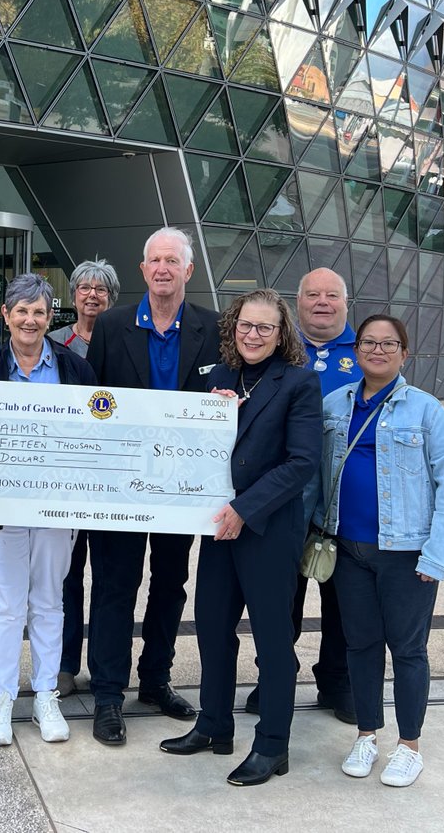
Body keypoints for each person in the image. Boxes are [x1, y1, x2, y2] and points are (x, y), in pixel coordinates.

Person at [161, 289, 320, 787]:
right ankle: (214, 725)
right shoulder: (220, 377)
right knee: (211, 626)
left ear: (281, 334)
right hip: (218, 527)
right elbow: (191, 447)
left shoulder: (299, 383)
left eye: (264, 328)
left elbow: (301, 463)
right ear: (233, 328)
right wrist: (212, 417)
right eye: (245, 326)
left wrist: (245, 510)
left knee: (273, 642)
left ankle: (273, 745)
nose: (252, 335)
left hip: (266, 529)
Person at [310, 314, 444, 788]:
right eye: (368, 343)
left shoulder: (426, 410)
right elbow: (317, 474)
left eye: (388, 343)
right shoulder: (335, 404)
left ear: (404, 352)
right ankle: (366, 734)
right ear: (355, 351)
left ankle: (409, 746)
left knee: (407, 650)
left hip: (406, 554)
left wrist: (436, 558)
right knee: (359, 645)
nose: (377, 350)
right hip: (348, 549)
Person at [84, 226, 220, 745]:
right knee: (115, 588)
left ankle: (156, 680)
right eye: (154, 260)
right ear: (142, 270)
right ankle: (107, 695)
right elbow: (89, 403)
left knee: (169, 585)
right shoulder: (114, 324)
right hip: (120, 486)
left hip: (183, 490)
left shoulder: (213, 326)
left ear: (188, 270)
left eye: (172, 260)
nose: (162, 268)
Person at [0, 274, 96, 746]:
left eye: (39, 312)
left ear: (48, 316)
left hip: (58, 509)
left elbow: (93, 441)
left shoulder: (77, 370)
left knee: (49, 603)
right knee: (4, 608)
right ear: (6, 316)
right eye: (22, 311)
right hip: (0, 511)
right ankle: (0, 700)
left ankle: (44, 696)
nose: (30, 320)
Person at [246, 268, 362, 722]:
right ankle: (274, 678)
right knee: (280, 600)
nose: (321, 302)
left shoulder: (365, 349)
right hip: (284, 498)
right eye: (312, 294)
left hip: (342, 498)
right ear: (297, 303)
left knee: (345, 600)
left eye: (331, 295)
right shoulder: (278, 349)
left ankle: (339, 681)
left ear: (345, 303)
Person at [46, 257, 120, 697]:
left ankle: (105, 667)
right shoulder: (54, 342)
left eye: (101, 289)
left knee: (111, 575)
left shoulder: (125, 338)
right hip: (66, 477)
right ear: (72, 294)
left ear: (112, 297)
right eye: (84, 287)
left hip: (112, 477)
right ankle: (64, 664)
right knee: (65, 576)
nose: (92, 294)